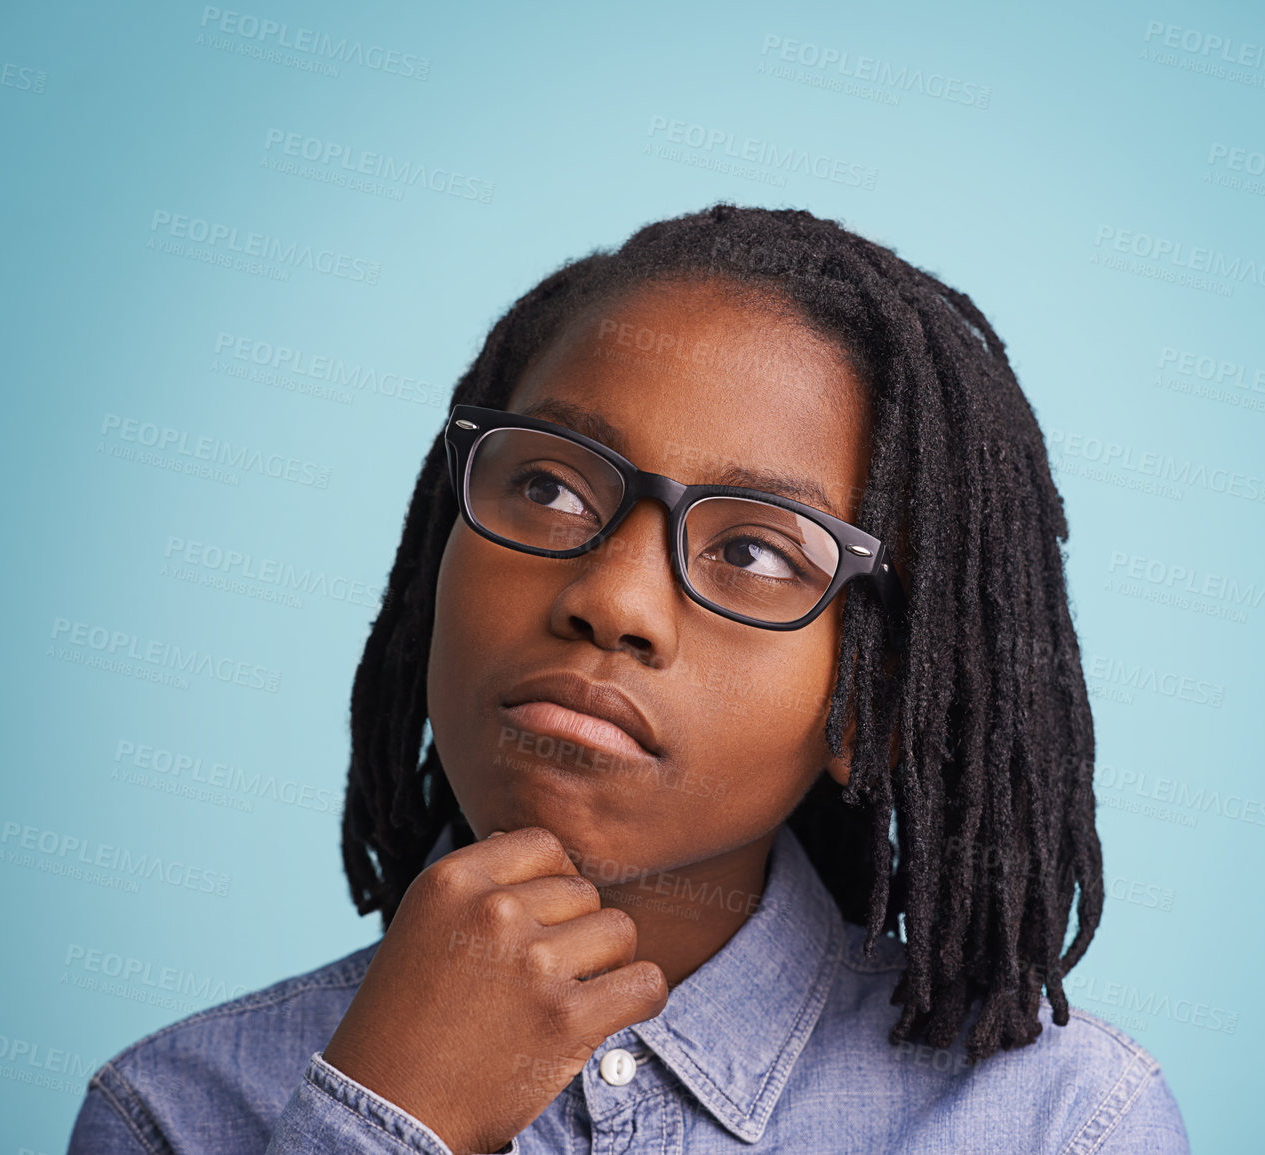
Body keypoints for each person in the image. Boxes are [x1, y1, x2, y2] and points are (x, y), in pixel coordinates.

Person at [66, 204, 1191, 1153]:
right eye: (550, 488)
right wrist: (386, 1116)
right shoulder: (178, 1112)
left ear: (876, 706)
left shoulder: (1062, 1123)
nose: (614, 600)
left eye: (754, 552)